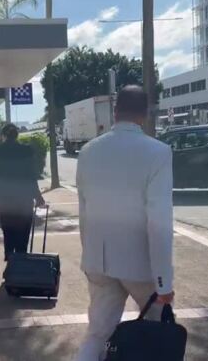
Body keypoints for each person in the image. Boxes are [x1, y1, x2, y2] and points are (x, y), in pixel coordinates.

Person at [75, 85, 175, 361]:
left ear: (115, 111)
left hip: (98, 260)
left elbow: (84, 211)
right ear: (144, 114)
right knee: (155, 336)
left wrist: (90, 255)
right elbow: (159, 221)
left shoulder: (88, 151)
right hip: (140, 266)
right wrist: (163, 282)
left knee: (97, 333)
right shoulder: (158, 152)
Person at [0, 124, 45, 261]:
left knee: (8, 230)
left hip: (3, 199)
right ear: (17, 135)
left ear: (3, 135)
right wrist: (38, 196)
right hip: (24, 197)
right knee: (23, 231)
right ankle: (21, 259)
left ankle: (9, 256)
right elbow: (31, 175)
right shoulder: (27, 150)